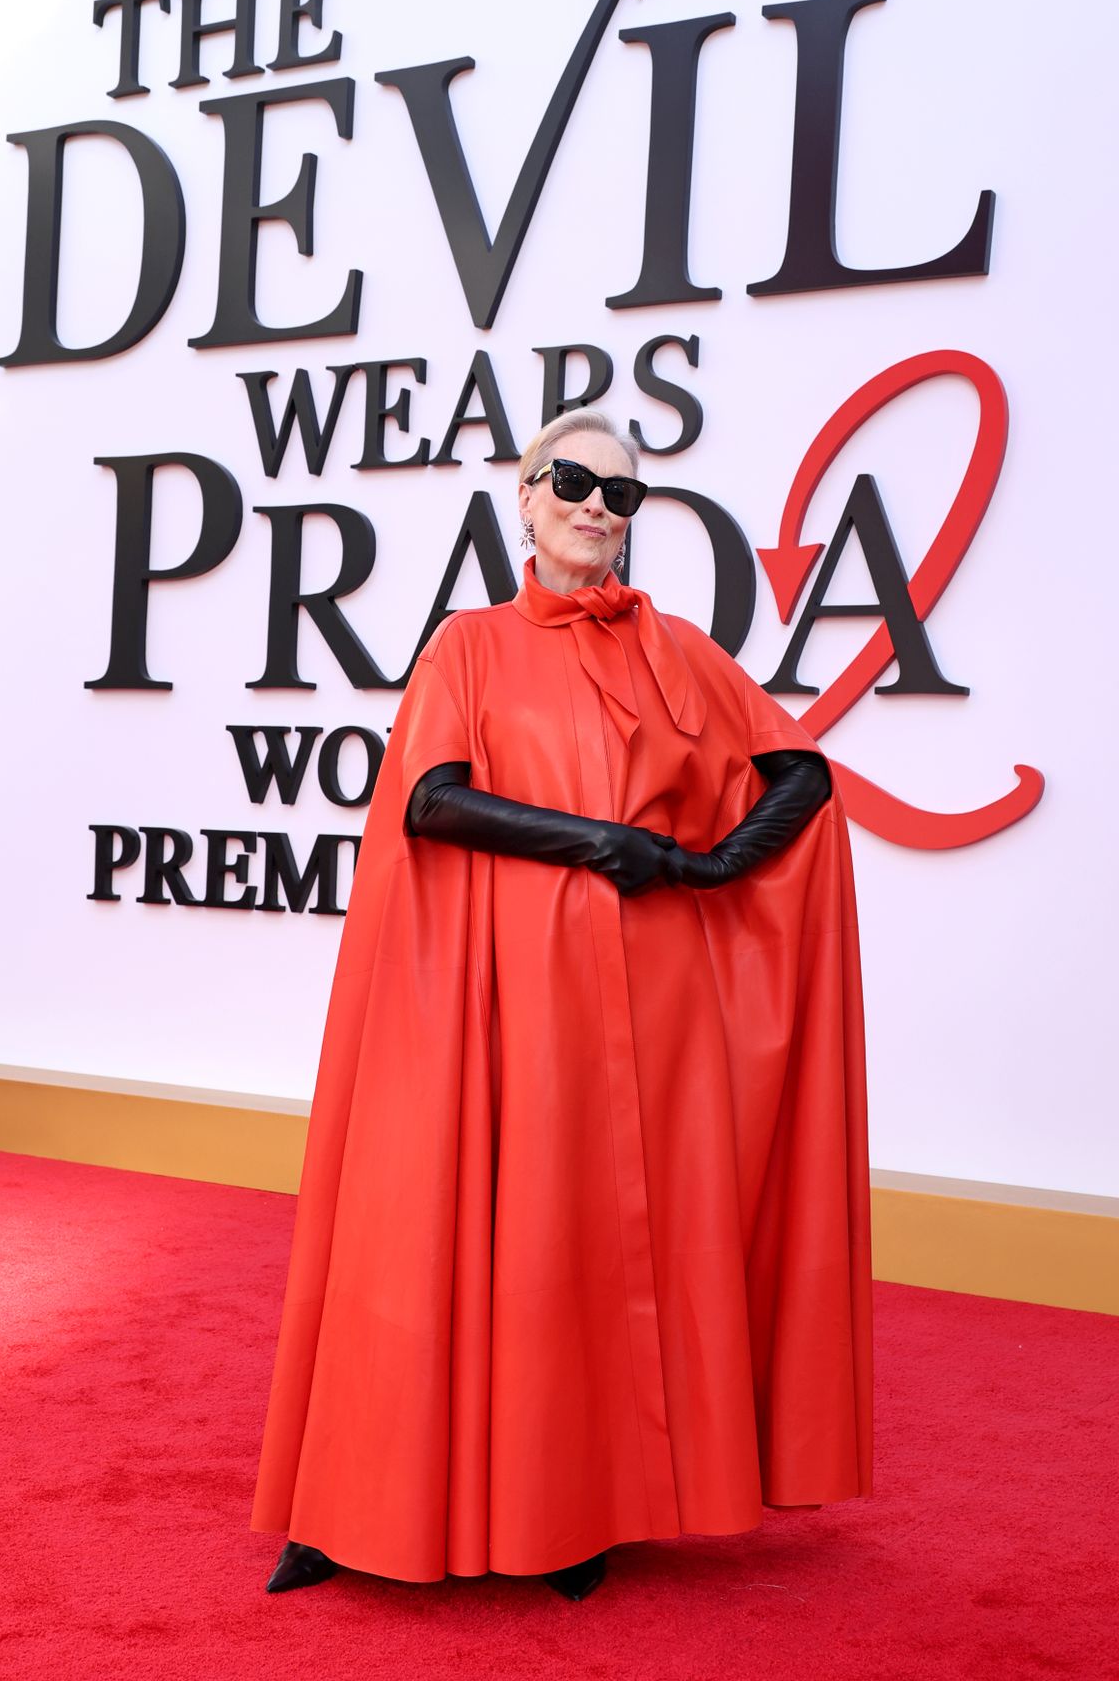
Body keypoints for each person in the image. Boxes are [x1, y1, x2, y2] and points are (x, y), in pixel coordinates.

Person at [251, 408, 873, 1601]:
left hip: (635, 1013)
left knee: (585, 1246)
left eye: (622, 495)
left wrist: (705, 869)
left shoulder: (680, 650)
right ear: (525, 498)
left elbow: (800, 770)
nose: (598, 505)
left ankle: (575, 1506)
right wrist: (606, 843)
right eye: (575, 482)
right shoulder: (467, 646)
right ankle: (346, 1503)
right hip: (482, 999)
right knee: (420, 1226)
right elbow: (430, 802)